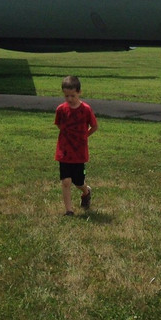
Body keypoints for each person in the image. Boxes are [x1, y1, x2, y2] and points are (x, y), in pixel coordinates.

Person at [54, 74, 98, 216]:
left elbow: (94, 126)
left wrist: (84, 136)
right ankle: (69, 210)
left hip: (79, 152)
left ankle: (86, 192)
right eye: (66, 96)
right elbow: (59, 124)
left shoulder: (85, 109)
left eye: (72, 96)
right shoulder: (61, 109)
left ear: (79, 92)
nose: (70, 99)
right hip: (64, 151)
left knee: (78, 182)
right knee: (66, 181)